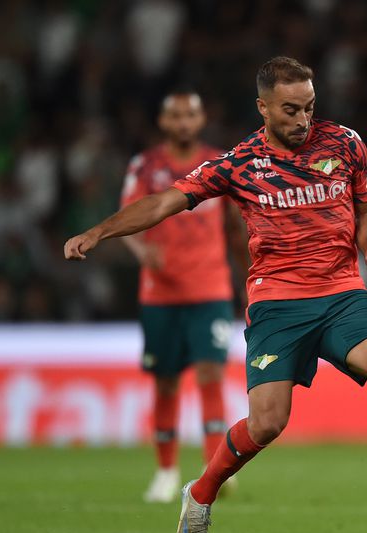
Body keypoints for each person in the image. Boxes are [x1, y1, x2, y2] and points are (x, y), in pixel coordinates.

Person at [64, 57, 367, 533]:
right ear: (262, 108)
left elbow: (365, 209)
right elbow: (164, 203)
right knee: (267, 423)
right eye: (289, 110)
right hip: (278, 305)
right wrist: (100, 232)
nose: (303, 119)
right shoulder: (240, 162)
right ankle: (200, 493)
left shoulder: (345, 144)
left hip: (341, 295)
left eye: (309, 107)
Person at [119, 89, 248, 503]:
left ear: (201, 118)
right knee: (166, 382)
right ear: (164, 121)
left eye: (190, 114)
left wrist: (247, 279)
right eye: (175, 115)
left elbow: (235, 228)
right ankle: (165, 470)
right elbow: (129, 219)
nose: (183, 122)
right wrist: (142, 251)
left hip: (209, 289)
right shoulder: (145, 166)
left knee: (210, 377)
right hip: (159, 294)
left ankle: (217, 470)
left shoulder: (219, 165)